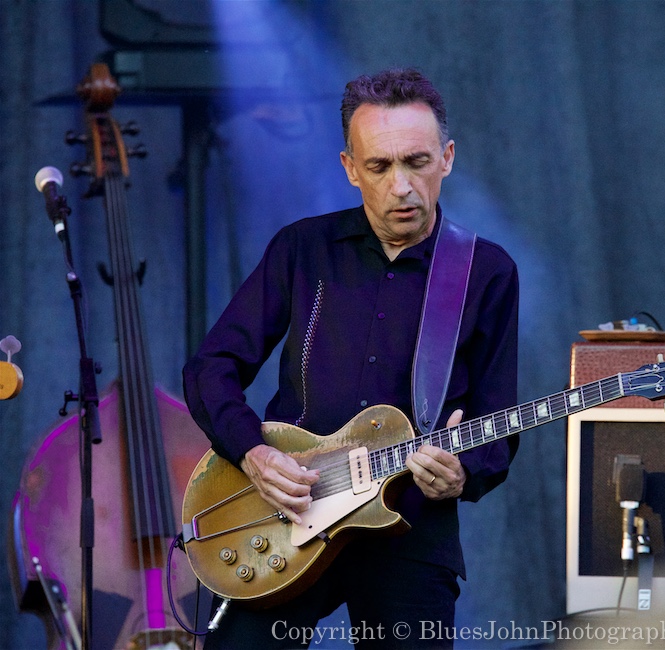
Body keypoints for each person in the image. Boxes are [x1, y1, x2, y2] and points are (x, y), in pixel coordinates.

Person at [182, 67, 520, 649]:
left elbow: (499, 419)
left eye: (416, 161)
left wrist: (466, 471)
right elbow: (211, 367)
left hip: (408, 525)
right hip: (288, 511)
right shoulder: (302, 248)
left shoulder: (484, 271)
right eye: (379, 166)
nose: (401, 187)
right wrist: (255, 454)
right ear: (349, 168)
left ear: (447, 158)